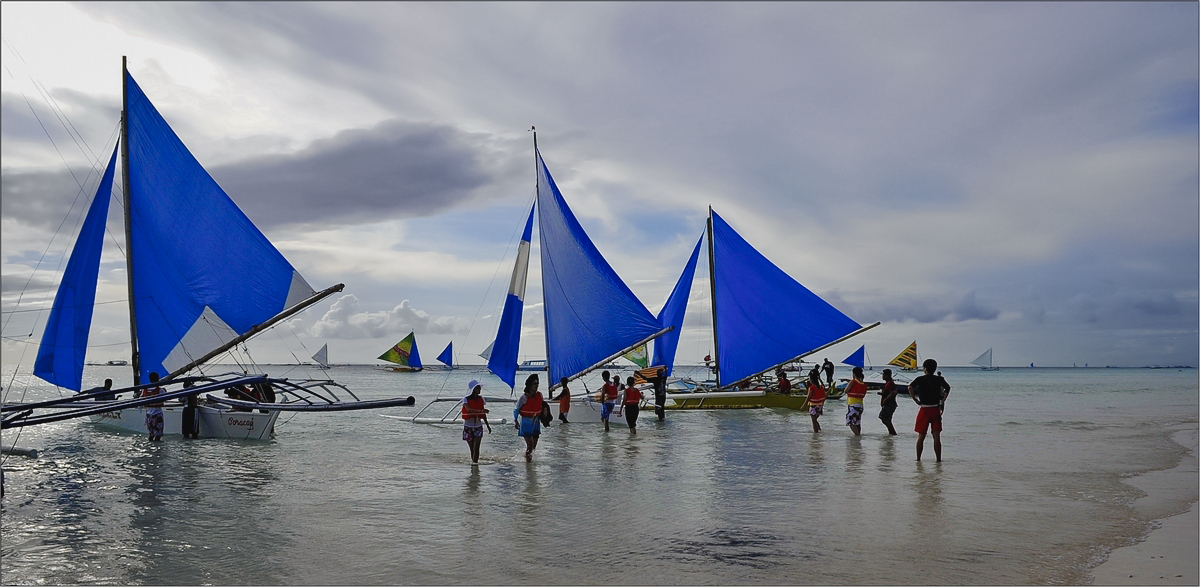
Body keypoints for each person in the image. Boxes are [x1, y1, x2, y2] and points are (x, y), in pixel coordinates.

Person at [908, 358, 951, 462]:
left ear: (925, 368)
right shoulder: (939, 379)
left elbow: (910, 387)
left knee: (921, 436)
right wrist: (943, 400)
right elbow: (948, 388)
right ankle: (938, 460)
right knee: (936, 436)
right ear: (935, 368)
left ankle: (918, 459)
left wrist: (915, 399)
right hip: (935, 409)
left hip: (924, 409)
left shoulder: (920, 379)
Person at [514, 374, 545, 461]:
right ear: (529, 385)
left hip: (536, 422)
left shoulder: (540, 395)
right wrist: (515, 421)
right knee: (530, 446)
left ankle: (529, 463)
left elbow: (542, 405)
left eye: (537, 383)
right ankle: (528, 465)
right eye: (534, 383)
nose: (536, 386)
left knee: (534, 447)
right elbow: (516, 409)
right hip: (526, 423)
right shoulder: (524, 398)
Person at [462, 380, 491, 464]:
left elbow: (483, 414)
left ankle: (475, 465)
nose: (480, 389)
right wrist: (481, 410)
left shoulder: (481, 399)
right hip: (468, 426)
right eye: (478, 387)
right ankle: (474, 465)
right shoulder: (465, 399)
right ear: (474, 389)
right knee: (472, 448)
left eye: (480, 387)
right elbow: (468, 410)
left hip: (478, 426)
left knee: (476, 447)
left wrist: (488, 425)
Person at [844, 366, 868, 436]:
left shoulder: (853, 382)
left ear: (854, 374)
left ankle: (857, 436)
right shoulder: (863, 384)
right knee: (857, 422)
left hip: (853, 405)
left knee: (850, 421)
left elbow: (845, 391)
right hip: (860, 405)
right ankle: (858, 436)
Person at [143, 372, 165, 441]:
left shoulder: (145, 390)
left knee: (151, 435)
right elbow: (165, 398)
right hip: (157, 414)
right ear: (158, 379)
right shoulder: (160, 390)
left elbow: (141, 399)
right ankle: (157, 450)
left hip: (148, 415)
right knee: (158, 436)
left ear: (149, 379)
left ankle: (150, 448)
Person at [878, 368, 899, 435]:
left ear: (887, 375)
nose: (882, 376)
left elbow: (893, 392)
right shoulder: (888, 383)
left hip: (890, 404)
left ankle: (893, 432)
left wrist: (886, 400)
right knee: (887, 419)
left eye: (884, 375)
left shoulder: (890, 383)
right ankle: (891, 433)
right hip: (889, 404)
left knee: (883, 417)